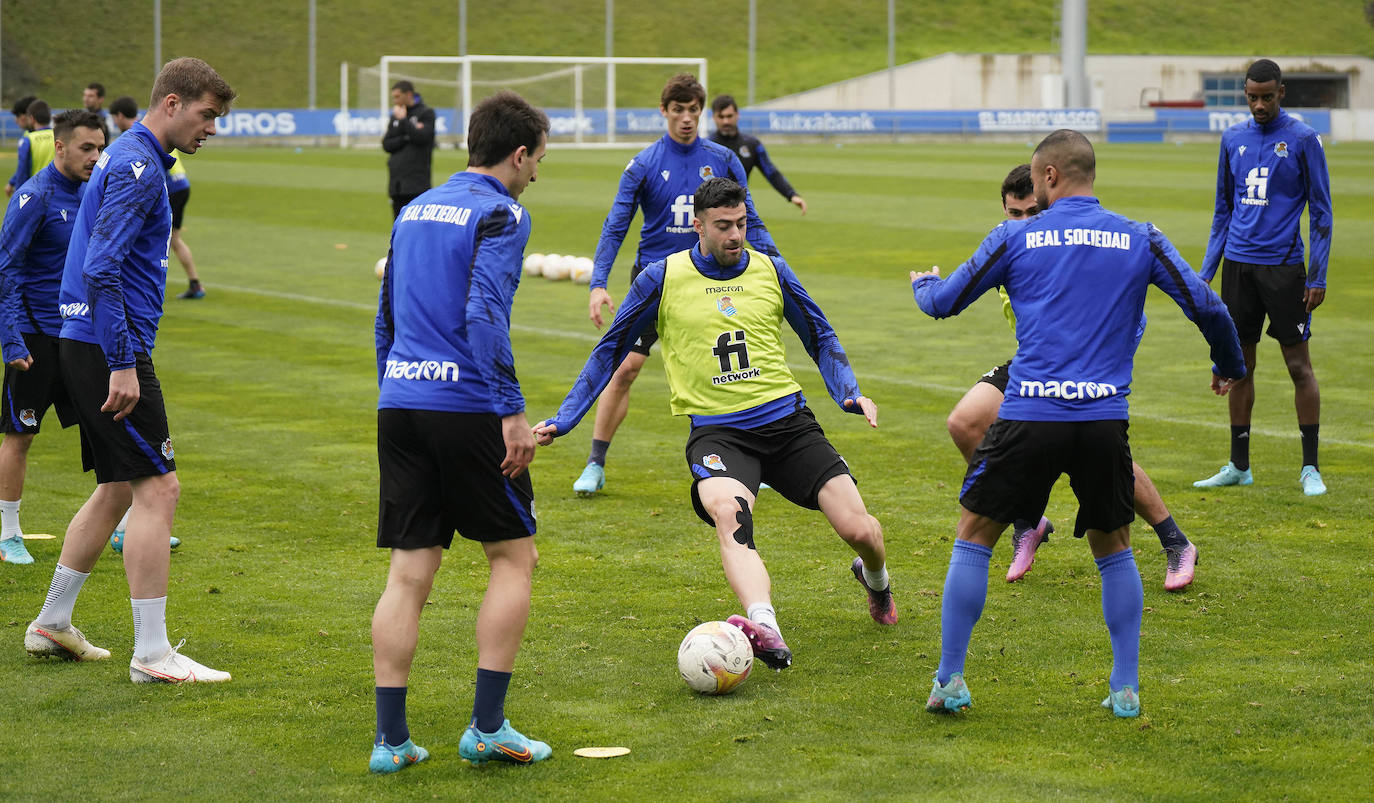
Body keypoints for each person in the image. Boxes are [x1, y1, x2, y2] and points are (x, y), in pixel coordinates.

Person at [910, 130, 1245, 719]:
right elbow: (1210, 307)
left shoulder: (1015, 233)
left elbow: (944, 303)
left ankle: (950, 681)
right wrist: (1228, 366)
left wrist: (922, 287)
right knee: (1114, 548)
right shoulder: (1141, 236)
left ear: (1048, 177)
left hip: (1029, 412)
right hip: (1101, 420)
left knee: (974, 538)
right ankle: (1125, 688)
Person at [537, 176, 896, 673]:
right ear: (698, 226)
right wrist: (565, 418)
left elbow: (819, 332)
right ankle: (764, 624)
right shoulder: (661, 277)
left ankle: (875, 580)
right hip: (718, 434)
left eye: (742, 224)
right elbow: (611, 350)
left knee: (862, 531)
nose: (735, 235)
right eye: (723, 226)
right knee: (731, 514)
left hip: (788, 423)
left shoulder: (772, 270)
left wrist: (849, 392)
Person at [24, 57, 236, 684]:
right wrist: (123, 361)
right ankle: (152, 654)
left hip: (85, 340)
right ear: (172, 103)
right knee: (159, 488)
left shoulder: (132, 158)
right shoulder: (141, 167)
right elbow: (101, 266)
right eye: (206, 115)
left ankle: (52, 622)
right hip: (106, 346)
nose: (212, 129)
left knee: (119, 486)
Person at [369, 90, 551, 774]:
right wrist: (509, 410)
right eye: (536, 160)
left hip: (402, 400)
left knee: (410, 570)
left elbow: (384, 313)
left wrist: (394, 384)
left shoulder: (415, 208)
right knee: (513, 557)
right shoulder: (503, 212)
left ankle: (391, 741)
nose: (536, 173)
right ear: (518, 153)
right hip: (468, 404)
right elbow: (484, 314)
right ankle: (488, 727)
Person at [945, 164, 1201, 590]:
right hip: (1037, 363)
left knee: (1098, 457)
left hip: (1090, 367)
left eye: (1032, 211)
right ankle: (1028, 518)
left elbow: (1121, 308)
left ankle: (1176, 542)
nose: (1025, 221)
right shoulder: (1010, 244)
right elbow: (959, 289)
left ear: (1049, 202)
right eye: (1015, 213)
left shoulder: (1069, 244)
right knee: (965, 423)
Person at [573, 74, 779, 497]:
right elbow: (615, 226)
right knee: (626, 368)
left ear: (700, 112)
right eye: (678, 109)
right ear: (663, 111)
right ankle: (595, 461)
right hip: (656, 281)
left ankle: (755, 459)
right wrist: (598, 283)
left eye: (693, 110)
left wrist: (777, 266)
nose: (686, 118)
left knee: (733, 368)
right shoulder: (644, 164)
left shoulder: (722, 158)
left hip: (711, 280)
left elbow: (749, 219)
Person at [1195, 58, 1332, 497]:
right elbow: (1222, 209)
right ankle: (1239, 465)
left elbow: (1321, 211)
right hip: (1238, 266)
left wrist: (1318, 275)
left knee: (1298, 366)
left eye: (1267, 97)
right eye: (1252, 97)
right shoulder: (1232, 137)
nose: (1259, 105)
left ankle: (1310, 468)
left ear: (1282, 92)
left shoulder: (1303, 138)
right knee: (1240, 366)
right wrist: (1206, 272)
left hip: (1285, 268)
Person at [0, 111, 106, 565]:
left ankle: (121, 527)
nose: (95, 157)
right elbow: (6, 269)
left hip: (79, 333)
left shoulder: (89, 194)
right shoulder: (34, 197)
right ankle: (8, 534)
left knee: (106, 426)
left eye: (100, 148)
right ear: (60, 147)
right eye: (87, 148)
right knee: (20, 433)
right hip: (35, 337)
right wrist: (10, 339)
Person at [107, 97, 202, 300]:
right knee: (174, 239)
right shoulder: (153, 127)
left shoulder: (138, 135)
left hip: (171, 187)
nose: (115, 123)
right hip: (182, 184)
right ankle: (195, 283)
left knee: (150, 238)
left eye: (114, 118)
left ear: (120, 116)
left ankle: (143, 285)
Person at [709, 94, 806, 215]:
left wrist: (791, 194)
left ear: (737, 115)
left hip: (740, 211)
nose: (725, 121)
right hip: (711, 213)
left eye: (729, 116)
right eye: (721, 117)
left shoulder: (752, 144)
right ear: (713, 117)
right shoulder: (706, 146)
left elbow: (771, 172)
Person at [381, 80, 435, 219]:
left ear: (409, 94)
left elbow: (422, 138)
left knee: (417, 226)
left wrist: (404, 121)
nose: (395, 100)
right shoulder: (395, 116)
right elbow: (387, 144)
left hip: (417, 184)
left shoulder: (426, 113)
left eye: (397, 96)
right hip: (397, 184)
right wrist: (405, 138)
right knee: (398, 228)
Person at [7, 100, 54, 198]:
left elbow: (22, 171)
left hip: (36, 192)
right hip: (57, 190)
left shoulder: (28, 139)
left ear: (32, 119)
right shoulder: (58, 136)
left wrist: (18, 194)